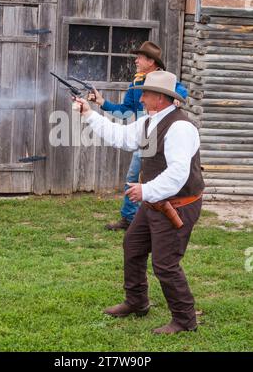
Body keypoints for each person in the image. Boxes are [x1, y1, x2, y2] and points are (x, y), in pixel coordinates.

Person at [75, 71, 205, 334]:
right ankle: (137, 302)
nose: (141, 98)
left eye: (145, 94)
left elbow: (178, 174)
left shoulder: (180, 128)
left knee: (165, 264)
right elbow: (120, 137)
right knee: (133, 245)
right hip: (156, 201)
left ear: (160, 98)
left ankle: (184, 320)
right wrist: (89, 114)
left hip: (177, 205)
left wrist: (146, 190)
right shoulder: (150, 121)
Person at [88, 41, 188, 231]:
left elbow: (181, 92)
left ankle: (162, 216)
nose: (136, 61)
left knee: (163, 178)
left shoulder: (167, 81)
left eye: (140, 57)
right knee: (134, 177)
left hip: (162, 139)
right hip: (143, 137)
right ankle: (129, 219)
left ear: (151, 61)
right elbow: (125, 112)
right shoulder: (136, 83)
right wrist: (102, 103)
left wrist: (175, 97)